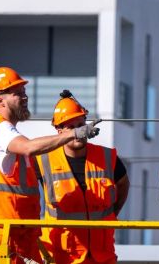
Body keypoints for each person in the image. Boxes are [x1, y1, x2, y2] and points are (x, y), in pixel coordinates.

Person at [0, 66, 101, 264]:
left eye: (24, 93)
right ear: (0, 100)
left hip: (21, 230)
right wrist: (74, 133)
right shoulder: (1, 129)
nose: (24, 97)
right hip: (9, 230)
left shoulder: (6, 131)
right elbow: (29, 147)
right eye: (17, 93)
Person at [36, 90, 129, 264]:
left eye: (80, 125)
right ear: (59, 130)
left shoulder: (106, 157)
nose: (78, 131)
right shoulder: (42, 161)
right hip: (62, 256)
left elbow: (123, 184)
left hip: (102, 255)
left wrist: (112, 213)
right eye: (71, 127)